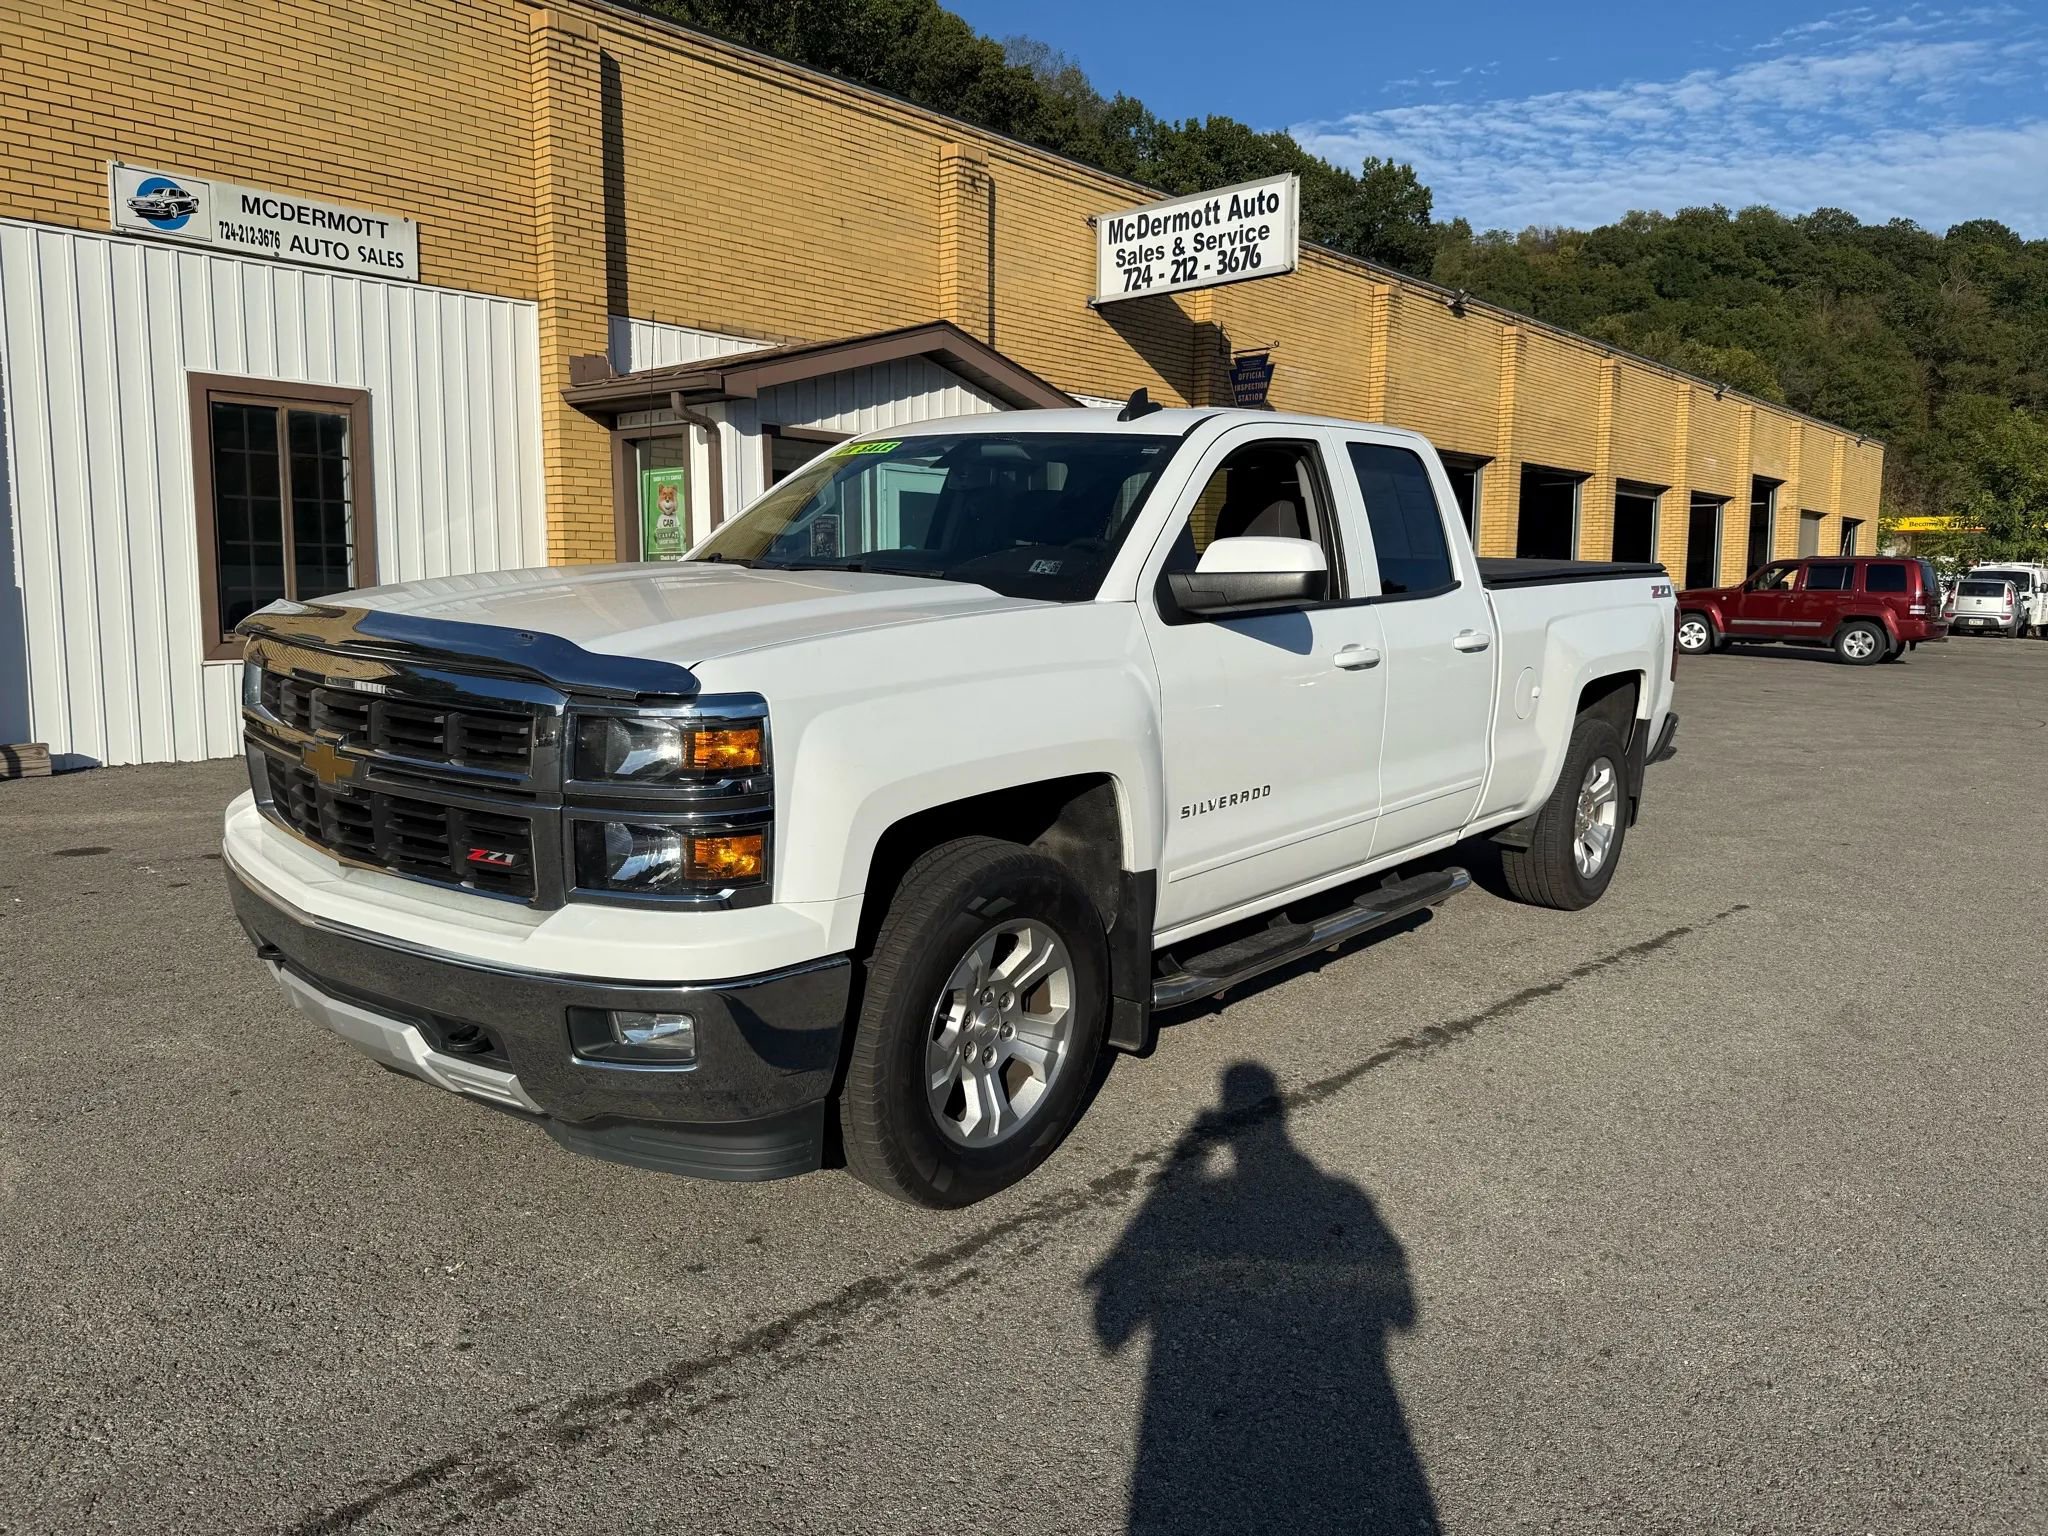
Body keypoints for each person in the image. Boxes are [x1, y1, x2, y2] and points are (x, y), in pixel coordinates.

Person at [1089, 1062, 1441, 1534]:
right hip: (1350, 1395)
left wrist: (1188, 1157)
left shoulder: (1207, 1201)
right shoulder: (1343, 1196)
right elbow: (1404, 1313)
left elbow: (1110, 1325)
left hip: (1189, 1411)